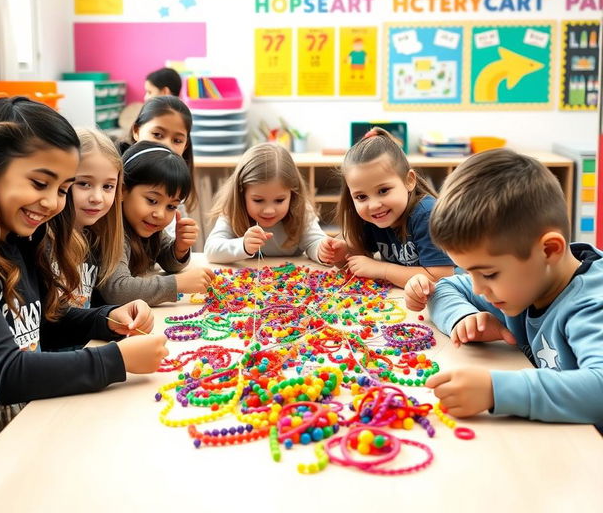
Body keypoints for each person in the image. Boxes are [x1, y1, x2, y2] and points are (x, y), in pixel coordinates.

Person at [0, 97, 167, 466]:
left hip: (30, 414)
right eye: (40, 182)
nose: (51, 202)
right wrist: (114, 360)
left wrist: (106, 319)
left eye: (61, 189)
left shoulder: (18, 239)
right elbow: (4, 374)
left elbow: (44, 324)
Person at [404, 149, 603, 425]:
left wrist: (495, 391)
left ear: (549, 250)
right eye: (471, 273)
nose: (477, 289)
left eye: (488, 274)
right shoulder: (529, 281)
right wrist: (464, 318)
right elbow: (445, 288)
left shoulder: (593, 305)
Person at [321, 127, 454, 286]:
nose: (374, 205)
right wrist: (340, 255)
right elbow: (359, 264)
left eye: (383, 191)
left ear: (409, 181)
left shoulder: (427, 215)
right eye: (361, 197)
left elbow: (441, 278)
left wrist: (382, 270)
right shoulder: (373, 217)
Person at [99, 141, 213, 306]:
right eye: (152, 200)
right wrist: (178, 284)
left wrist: (179, 248)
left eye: (171, 206)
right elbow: (118, 291)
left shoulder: (147, 225)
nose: (160, 214)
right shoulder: (111, 230)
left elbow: (167, 261)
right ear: (122, 190)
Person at [204, 142, 331, 264]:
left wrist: (323, 251)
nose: (269, 210)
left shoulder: (301, 210)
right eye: (258, 200)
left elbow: (314, 242)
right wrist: (243, 245)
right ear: (241, 194)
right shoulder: (232, 211)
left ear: (293, 194)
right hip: (249, 281)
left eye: (279, 200)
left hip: (291, 281)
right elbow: (211, 251)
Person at [120, 95, 198, 243]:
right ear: (136, 131)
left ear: (185, 145)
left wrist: (179, 249)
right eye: (157, 135)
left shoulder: (177, 182)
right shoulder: (117, 181)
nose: (166, 145)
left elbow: (164, 247)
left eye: (177, 140)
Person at [71, 128, 124, 308]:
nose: (97, 198)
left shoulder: (97, 238)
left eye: (108, 186)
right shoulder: (44, 244)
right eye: (84, 184)